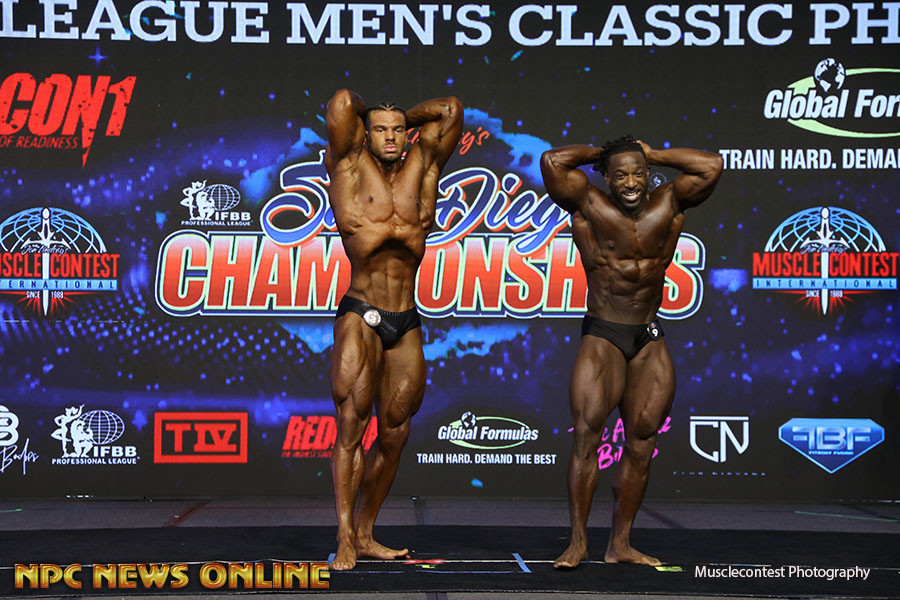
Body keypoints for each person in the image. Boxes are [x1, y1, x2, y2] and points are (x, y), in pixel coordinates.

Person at [540, 136, 724, 567]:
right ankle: (578, 542)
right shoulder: (588, 204)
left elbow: (711, 165)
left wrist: (651, 152)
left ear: (648, 174)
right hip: (603, 334)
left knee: (642, 443)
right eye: (620, 174)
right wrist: (602, 153)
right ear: (606, 177)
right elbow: (552, 162)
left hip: (648, 337)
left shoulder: (669, 202)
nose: (630, 182)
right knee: (587, 439)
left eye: (638, 173)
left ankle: (620, 544)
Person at [324, 89, 463, 571]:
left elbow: (450, 110)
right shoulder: (347, 162)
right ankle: (344, 536)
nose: (390, 137)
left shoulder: (424, 165)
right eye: (380, 129)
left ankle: (365, 532)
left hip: (406, 318)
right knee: (351, 425)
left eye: (398, 129)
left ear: (408, 134)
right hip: (361, 312)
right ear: (365, 132)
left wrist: (405, 114)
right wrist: (368, 116)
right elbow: (343, 102)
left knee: (396, 432)